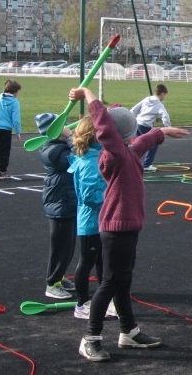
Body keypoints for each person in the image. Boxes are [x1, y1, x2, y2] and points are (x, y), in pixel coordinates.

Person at [68, 86, 189, 362]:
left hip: (127, 227)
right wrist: (88, 93)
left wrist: (163, 133)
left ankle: (129, 332)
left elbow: (141, 144)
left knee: (123, 282)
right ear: (123, 134)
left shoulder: (126, 152)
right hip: (116, 228)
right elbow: (103, 125)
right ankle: (90, 338)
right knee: (109, 283)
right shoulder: (116, 154)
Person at [68, 116, 117, 321]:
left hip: (100, 219)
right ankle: (82, 303)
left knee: (102, 261)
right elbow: (89, 196)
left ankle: (105, 299)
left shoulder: (94, 156)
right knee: (87, 261)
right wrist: (112, 197)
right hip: (91, 221)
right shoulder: (89, 161)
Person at [34, 112, 77, 300]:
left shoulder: (57, 146)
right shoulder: (51, 152)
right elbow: (78, 159)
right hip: (59, 204)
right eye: (62, 126)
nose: (66, 127)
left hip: (66, 201)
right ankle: (52, 283)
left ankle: (59, 278)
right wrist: (71, 137)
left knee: (68, 245)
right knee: (60, 246)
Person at [131, 84, 172, 173]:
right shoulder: (159, 104)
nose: (164, 97)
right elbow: (165, 116)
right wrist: (168, 128)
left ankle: (130, 162)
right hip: (145, 126)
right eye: (165, 95)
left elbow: (135, 109)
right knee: (154, 143)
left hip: (137, 123)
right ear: (162, 94)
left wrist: (131, 119)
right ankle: (146, 165)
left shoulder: (146, 99)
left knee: (135, 144)